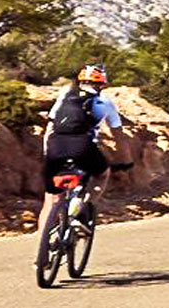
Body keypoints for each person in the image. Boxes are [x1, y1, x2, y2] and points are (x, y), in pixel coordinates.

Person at [40, 63, 124, 239]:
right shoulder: (105, 103)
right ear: (102, 84)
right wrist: (125, 159)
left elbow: (49, 129)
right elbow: (118, 136)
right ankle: (81, 210)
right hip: (84, 148)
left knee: (51, 199)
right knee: (102, 174)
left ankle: (42, 251)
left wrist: (47, 154)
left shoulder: (64, 97)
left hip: (55, 147)